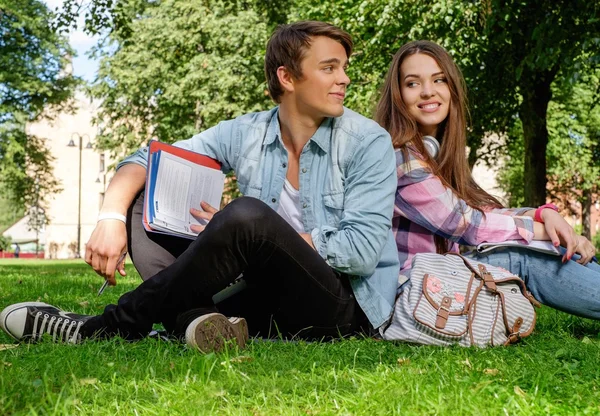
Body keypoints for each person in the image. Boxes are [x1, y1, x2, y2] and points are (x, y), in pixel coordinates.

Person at [0, 21, 399, 351]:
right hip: (266, 297)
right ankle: (198, 324)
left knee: (247, 217)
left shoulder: (367, 141)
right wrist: (110, 217)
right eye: (330, 68)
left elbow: (361, 252)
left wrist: (261, 235)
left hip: (341, 307)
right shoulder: (247, 131)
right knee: (145, 197)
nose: (344, 79)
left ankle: (105, 327)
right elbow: (149, 159)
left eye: (344, 67)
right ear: (287, 77)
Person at [375, 40, 600, 320]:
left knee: (533, 246)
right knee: (521, 256)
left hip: (433, 282)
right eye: (412, 83)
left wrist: (544, 214)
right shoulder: (402, 157)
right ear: (397, 94)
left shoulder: (433, 154)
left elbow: (484, 212)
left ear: (452, 89)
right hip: (410, 292)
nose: (427, 91)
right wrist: (553, 232)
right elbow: (467, 224)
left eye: (439, 80)